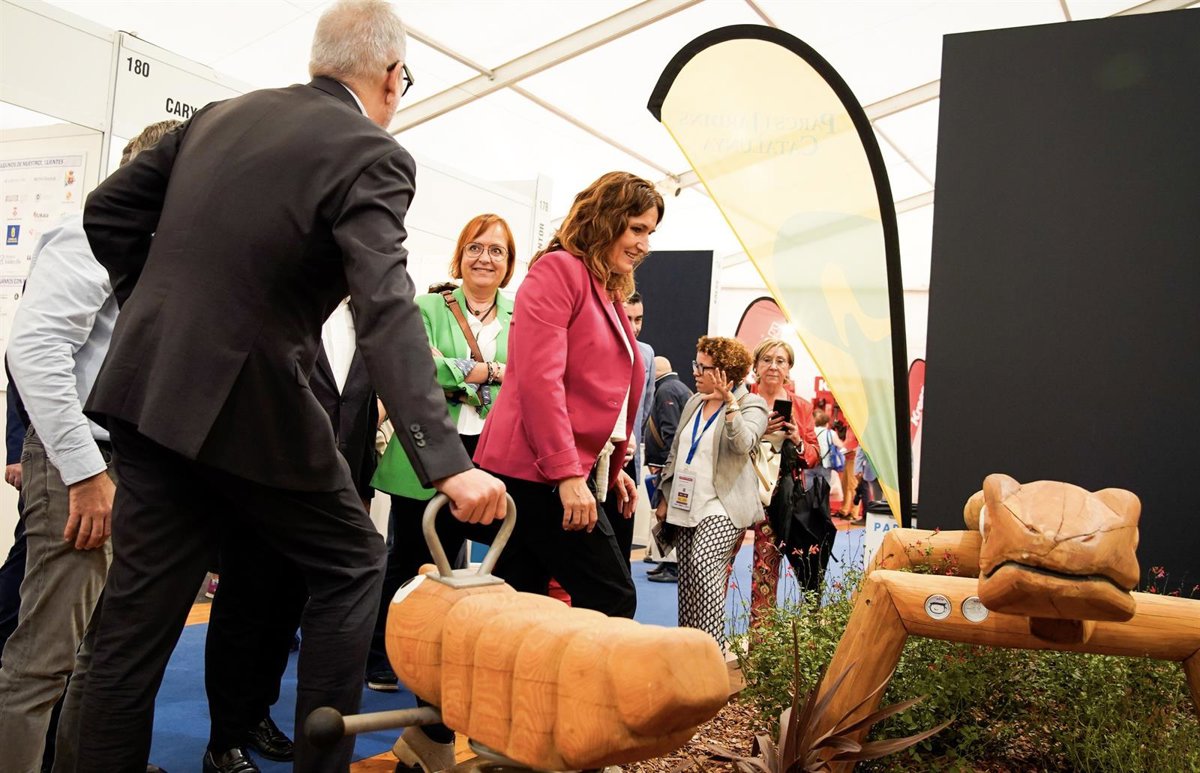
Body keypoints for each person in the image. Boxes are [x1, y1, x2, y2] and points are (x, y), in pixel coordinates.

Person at [75, 2, 506, 770]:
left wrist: (160, 319)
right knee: (352, 562)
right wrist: (447, 463)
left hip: (150, 397)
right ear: (392, 76)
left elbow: (107, 211)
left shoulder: (220, 116)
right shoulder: (373, 153)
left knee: (127, 640)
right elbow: (385, 309)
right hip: (252, 403)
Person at [0, 121, 179, 773]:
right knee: (42, 665)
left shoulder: (159, 250)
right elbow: (34, 352)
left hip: (130, 468)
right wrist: (83, 474)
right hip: (88, 466)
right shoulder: (91, 234)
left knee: (97, 659)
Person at [474, 171, 664, 618]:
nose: (644, 245)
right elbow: (541, 382)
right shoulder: (559, 270)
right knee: (611, 595)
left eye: (650, 233)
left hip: (554, 470)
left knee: (521, 600)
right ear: (606, 219)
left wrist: (604, 464)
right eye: (636, 229)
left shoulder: (604, 285)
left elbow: (594, 388)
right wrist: (567, 476)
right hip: (535, 472)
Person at [368, 213, 517, 771]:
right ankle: (382, 653)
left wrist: (465, 372)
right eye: (476, 247)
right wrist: (490, 371)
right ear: (461, 254)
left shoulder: (519, 313)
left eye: (496, 251)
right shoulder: (427, 307)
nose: (485, 258)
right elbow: (419, 370)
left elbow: (523, 374)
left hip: (492, 454)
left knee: (468, 569)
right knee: (408, 560)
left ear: (508, 263)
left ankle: (447, 665)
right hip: (429, 453)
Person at [654, 337, 768, 648]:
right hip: (686, 501)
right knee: (688, 582)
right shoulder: (695, 401)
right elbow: (677, 450)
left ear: (724, 372)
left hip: (724, 505)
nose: (694, 371)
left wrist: (730, 404)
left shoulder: (752, 404)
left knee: (704, 563)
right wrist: (664, 496)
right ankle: (690, 652)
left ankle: (712, 652)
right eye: (697, 364)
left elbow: (744, 444)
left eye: (702, 367)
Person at [746, 338, 819, 626]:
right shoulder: (742, 398)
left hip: (777, 498)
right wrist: (757, 431)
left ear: (789, 368)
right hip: (737, 491)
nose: (773, 366)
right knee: (719, 564)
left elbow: (813, 455)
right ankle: (706, 640)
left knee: (766, 571)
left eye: (780, 361)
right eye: (767, 359)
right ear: (756, 365)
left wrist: (797, 439)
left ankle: (760, 644)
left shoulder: (800, 406)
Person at [603, 291, 654, 567]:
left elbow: (644, 407)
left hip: (628, 459)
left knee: (622, 539)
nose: (633, 326)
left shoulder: (646, 354)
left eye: (639, 319)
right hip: (597, 457)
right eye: (628, 317)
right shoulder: (599, 346)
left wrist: (630, 437)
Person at [644, 356, 692, 583]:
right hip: (674, 466)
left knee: (667, 513)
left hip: (669, 467)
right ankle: (667, 562)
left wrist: (666, 467)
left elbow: (671, 432)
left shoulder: (666, 390)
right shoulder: (677, 388)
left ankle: (672, 566)